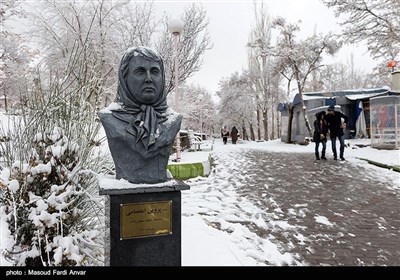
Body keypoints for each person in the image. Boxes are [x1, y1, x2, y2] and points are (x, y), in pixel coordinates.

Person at [98, 46, 182, 184]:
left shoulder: (173, 120)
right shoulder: (109, 119)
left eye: (155, 71)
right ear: (124, 77)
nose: (149, 78)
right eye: (140, 71)